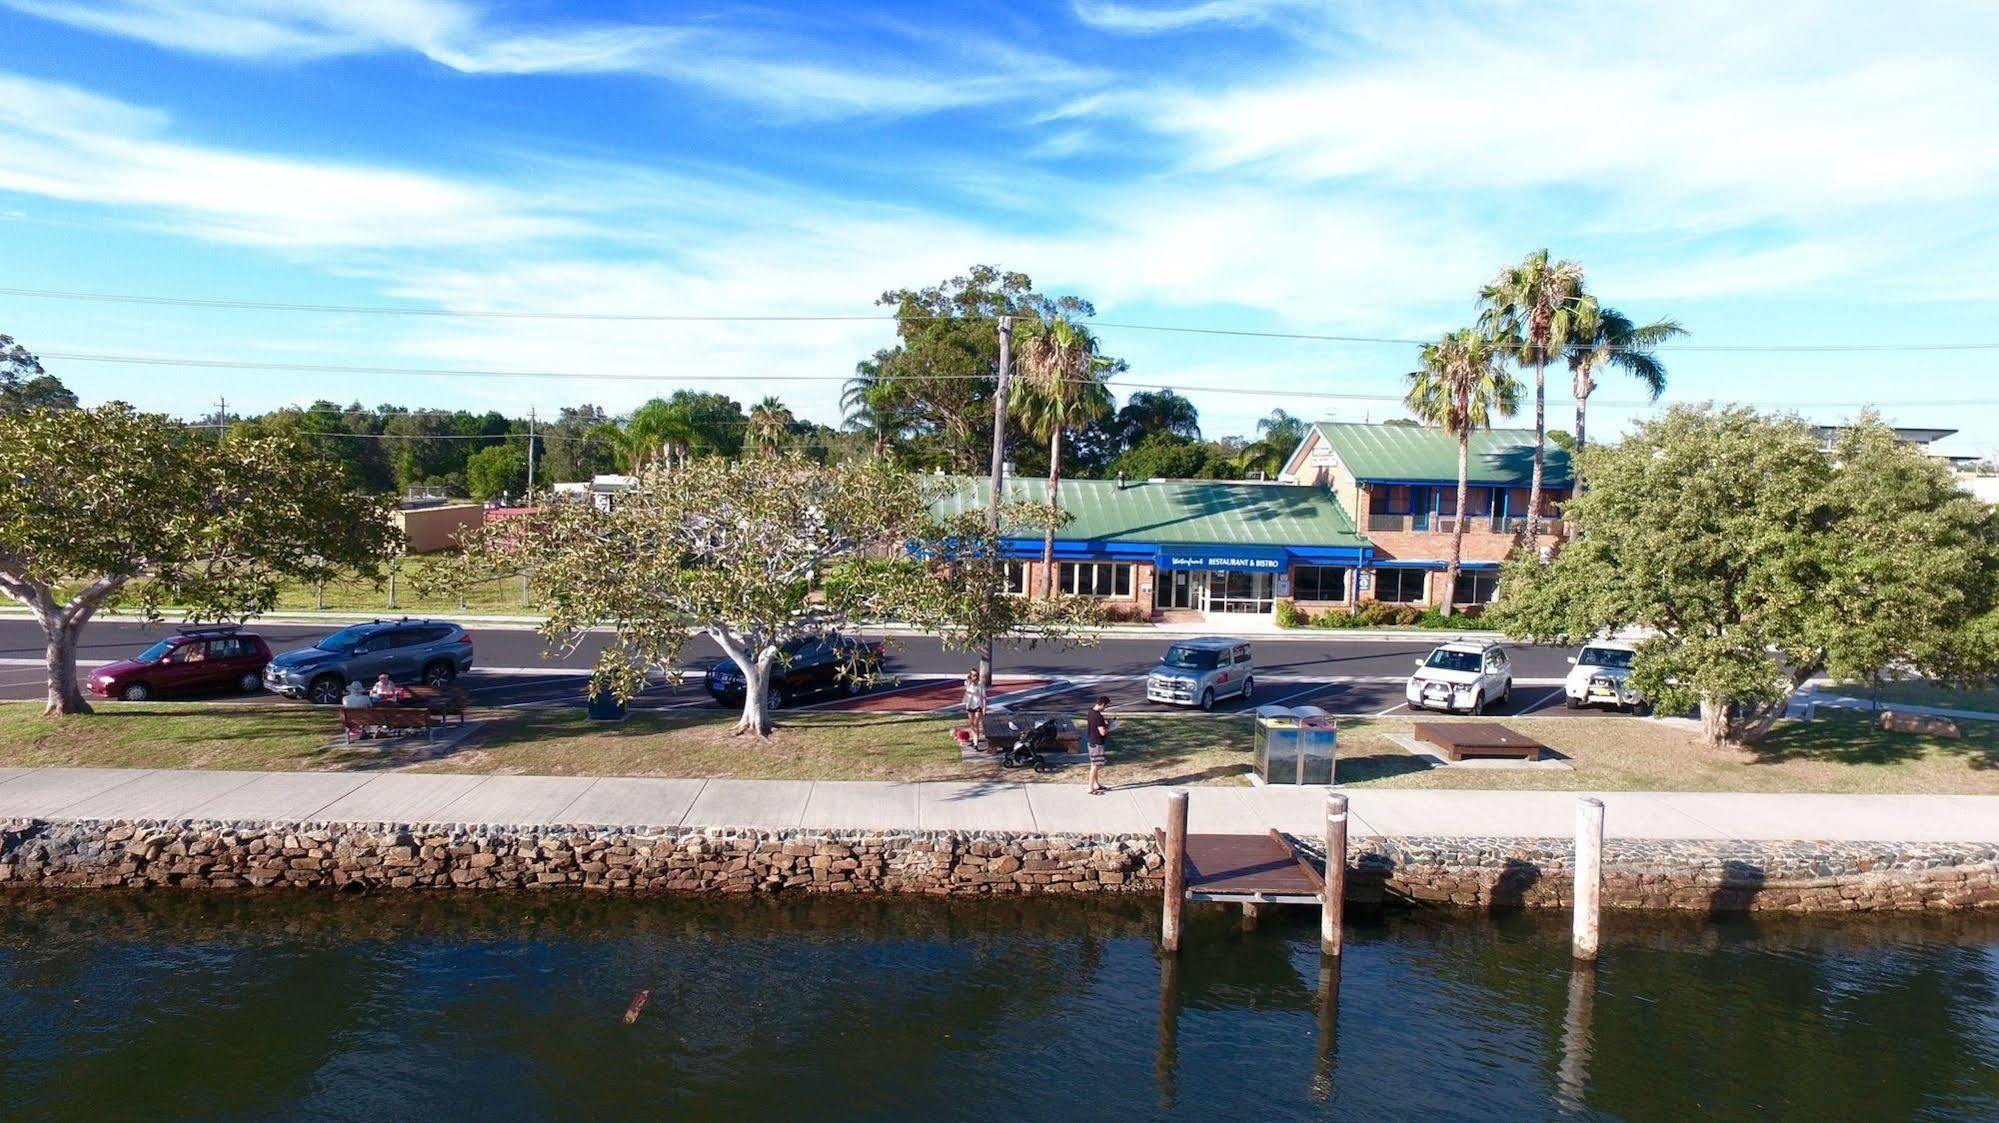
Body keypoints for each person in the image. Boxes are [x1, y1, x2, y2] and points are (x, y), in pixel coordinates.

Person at [1085, 695, 1113, 795]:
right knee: (1095, 766)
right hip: (1097, 743)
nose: (1105, 708)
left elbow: (1095, 725)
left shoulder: (1090, 712)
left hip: (1091, 741)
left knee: (1095, 765)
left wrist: (1105, 723)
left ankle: (1096, 784)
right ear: (1101, 704)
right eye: (1105, 706)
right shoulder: (1098, 716)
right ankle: (1090, 788)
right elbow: (1103, 732)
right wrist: (1110, 725)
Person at [962, 670, 987, 750]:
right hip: (969, 705)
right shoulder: (968, 683)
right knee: (972, 724)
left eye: (976, 675)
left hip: (977, 706)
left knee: (976, 724)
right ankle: (974, 740)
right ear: (970, 676)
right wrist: (969, 678)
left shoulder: (980, 685)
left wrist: (984, 708)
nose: (975, 677)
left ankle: (976, 743)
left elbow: (984, 697)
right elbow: (966, 683)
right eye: (973, 675)